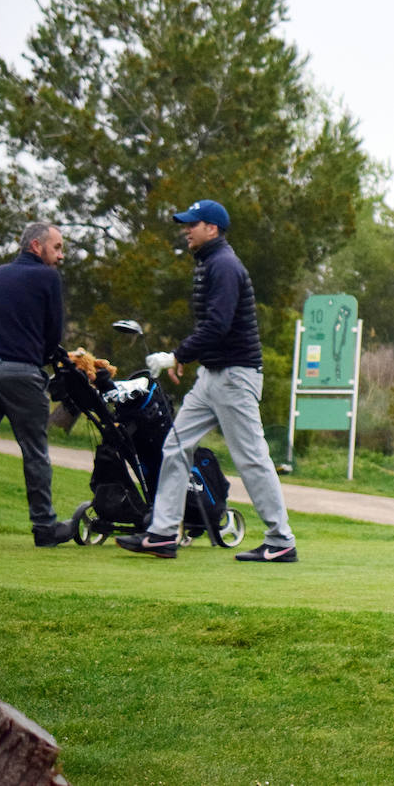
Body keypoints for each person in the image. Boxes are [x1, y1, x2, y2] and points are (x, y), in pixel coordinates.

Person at [115, 200, 297, 561]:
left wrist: (178, 354)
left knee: (251, 459)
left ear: (211, 229)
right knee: (175, 445)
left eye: (192, 224)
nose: (186, 229)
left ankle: (281, 540)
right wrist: (187, 356)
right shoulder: (209, 263)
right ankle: (163, 534)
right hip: (212, 376)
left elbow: (218, 325)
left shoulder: (225, 265)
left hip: (235, 377)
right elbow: (210, 327)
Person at [0, 222, 74, 547]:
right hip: (22, 373)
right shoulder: (47, 278)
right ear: (37, 247)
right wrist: (35, 359)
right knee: (35, 453)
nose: (61, 256)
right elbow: (54, 334)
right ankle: (44, 527)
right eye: (57, 248)